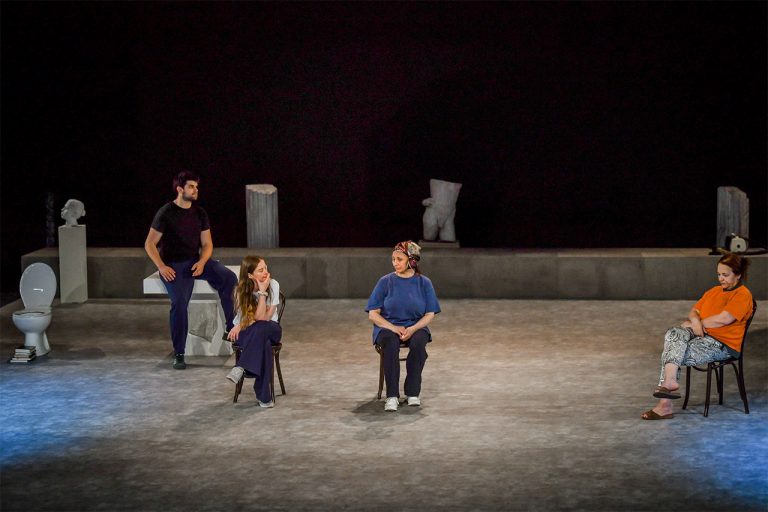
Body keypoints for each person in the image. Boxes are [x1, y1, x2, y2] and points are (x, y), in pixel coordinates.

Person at [642, 253, 753, 420]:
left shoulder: (743, 295)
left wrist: (697, 324)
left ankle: (665, 404)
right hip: (700, 334)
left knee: (672, 352)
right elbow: (694, 311)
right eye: (718, 274)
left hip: (722, 344)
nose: (720, 278)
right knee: (673, 333)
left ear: (738, 275)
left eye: (725, 274)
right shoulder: (714, 291)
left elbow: (724, 319)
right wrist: (695, 321)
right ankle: (669, 383)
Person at [144, 171, 237, 370]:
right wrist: (161, 266)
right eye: (191, 187)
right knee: (179, 302)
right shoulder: (166, 212)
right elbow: (150, 243)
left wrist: (203, 262)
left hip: (195, 261)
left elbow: (207, 244)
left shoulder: (200, 213)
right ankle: (179, 352)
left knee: (228, 278)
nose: (196, 190)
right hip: (174, 265)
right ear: (180, 189)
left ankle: (230, 328)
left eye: (196, 187)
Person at [365, 241, 441, 412]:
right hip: (387, 327)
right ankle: (392, 395)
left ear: (411, 261)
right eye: (393, 259)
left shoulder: (424, 283)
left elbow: (430, 313)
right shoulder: (385, 281)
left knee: (419, 343)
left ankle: (412, 392)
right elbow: (373, 314)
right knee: (390, 343)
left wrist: (413, 329)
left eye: (399, 259)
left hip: (415, 326)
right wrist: (393, 328)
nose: (395, 263)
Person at [225, 256, 282, 408]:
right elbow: (249, 318)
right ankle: (264, 397)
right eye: (261, 270)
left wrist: (262, 292)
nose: (266, 272)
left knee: (261, 328)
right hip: (248, 332)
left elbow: (264, 318)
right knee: (264, 344)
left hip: (271, 328)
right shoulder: (240, 290)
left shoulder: (273, 284)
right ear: (250, 275)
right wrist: (241, 324)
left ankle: (242, 366)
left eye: (266, 268)